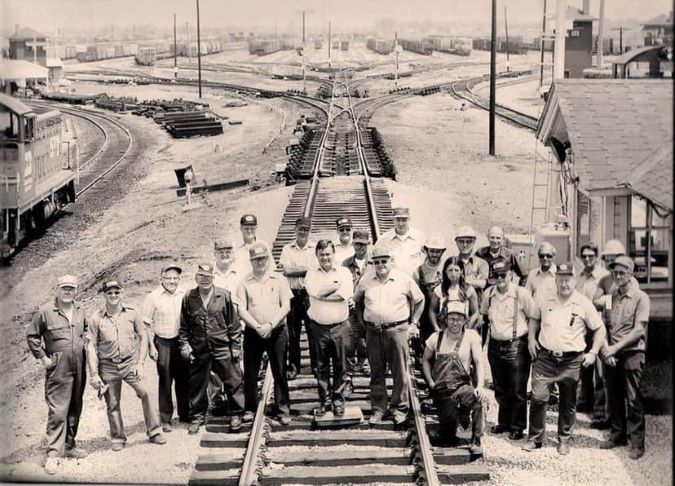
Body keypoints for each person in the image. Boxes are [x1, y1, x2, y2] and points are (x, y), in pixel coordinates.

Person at [524, 263, 606, 455]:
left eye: (568, 279)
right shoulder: (546, 299)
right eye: (560, 278)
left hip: (572, 361)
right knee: (538, 398)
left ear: (574, 280)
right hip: (545, 357)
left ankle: (564, 439)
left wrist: (593, 352)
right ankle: (535, 438)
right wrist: (530, 339)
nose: (564, 283)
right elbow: (534, 318)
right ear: (555, 280)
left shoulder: (583, 303)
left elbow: (599, 328)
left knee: (568, 402)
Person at [87, 280, 166, 451]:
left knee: (145, 392)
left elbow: (143, 335)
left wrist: (140, 363)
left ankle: (154, 431)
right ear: (104, 295)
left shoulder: (132, 312)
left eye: (117, 292)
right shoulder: (96, 318)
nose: (113, 296)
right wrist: (94, 374)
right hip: (108, 367)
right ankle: (118, 437)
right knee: (112, 403)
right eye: (109, 293)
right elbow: (91, 346)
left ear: (122, 293)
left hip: (130, 364)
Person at [353, 244, 425, 425]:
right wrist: (363, 324)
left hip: (397, 330)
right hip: (373, 331)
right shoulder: (366, 280)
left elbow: (420, 300)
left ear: (391, 262)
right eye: (376, 262)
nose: (380, 265)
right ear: (372, 264)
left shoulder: (403, 279)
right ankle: (378, 409)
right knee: (376, 371)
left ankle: (399, 408)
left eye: (384, 261)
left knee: (400, 371)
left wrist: (413, 323)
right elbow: (357, 301)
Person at [27, 275, 89, 475]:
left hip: (79, 364)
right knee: (58, 409)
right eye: (64, 288)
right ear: (57, 289)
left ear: (76, 290)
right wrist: (43, 358)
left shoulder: (80, 309)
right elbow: (32, 336)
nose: (68, 292)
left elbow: (85, 329)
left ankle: (69, 445)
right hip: (58, 366)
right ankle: (54, 453)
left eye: (71, 288)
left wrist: (86, 340)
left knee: (75, 404)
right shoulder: (45, 311)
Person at [178, 264, 245, 434]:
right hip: (200, 347)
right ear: (196, 278)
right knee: (197, 383)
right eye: (201, 276)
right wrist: (185, 345)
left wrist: (236, 346)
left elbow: (234, 324)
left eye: (208, 276)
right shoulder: (189, 297)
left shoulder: (223, 295)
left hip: (222, 345)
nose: (205, 279)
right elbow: (184, 326)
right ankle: (198, 416)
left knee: (233, 379)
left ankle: (236, 413)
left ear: (213, 278)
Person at [480, 259, 539, 441]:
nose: (500, 279)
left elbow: (534, 316)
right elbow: (484, 318)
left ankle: (517, 426)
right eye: (496, 276)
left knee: (517, 389)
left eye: (503, 275)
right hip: (496, 345)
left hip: (516, 345)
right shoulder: (489, 294)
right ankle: (504, 422)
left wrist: (531, 340)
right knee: (500, 387)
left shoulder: (521, 294)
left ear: (511, 275)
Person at [599, 256, 650, 460]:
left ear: (631, 273)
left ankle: (637, 443)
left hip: (632, 353)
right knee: (614, 396)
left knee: (633, 399)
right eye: (615, 273)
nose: (618, 276)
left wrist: (615, 348)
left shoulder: (641, 298)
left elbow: (639, 330)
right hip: (612, 353)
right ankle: (618, 435)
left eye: (622, 273)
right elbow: (603, 324)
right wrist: (606, 350)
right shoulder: (611, 296)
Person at [236, 242, 293, 425]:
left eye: (262, 258)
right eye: (256, 259)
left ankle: (283, 409)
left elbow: (286, 306)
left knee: (280, 371)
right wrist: (257, 326)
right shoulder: (244, 282)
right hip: (254, 333)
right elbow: (241, 310)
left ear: (268, 259)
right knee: (251, 372)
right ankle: (250, 408)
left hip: (276, 331)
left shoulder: (279, 279)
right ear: (251, 261)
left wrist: (270, 324)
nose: (259, 262)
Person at [421, 301, 488, 455]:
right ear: (445, 319)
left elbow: (478, 362)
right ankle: (458, 416)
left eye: (459, 319)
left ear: (465, 320)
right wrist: (431, 383)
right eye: (452, 318)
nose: (455, 322)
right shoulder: (435, 338)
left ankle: (476, 439)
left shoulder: (471, 336)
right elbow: (425, 360)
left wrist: (480, 386)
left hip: (462, 386)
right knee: (448, 437)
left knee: (481, 400)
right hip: (442, 391)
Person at [305, 240, 354, 417]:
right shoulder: (311, 273)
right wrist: (334, 287)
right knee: (320, 366)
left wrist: (323, 295)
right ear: (317, 256)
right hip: (318, 327)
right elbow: (314, 292)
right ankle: (324, 400)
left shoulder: (344, 272)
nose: (325, 257)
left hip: (341, 326)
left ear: (334, 254)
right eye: (322, 254)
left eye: (328, 254)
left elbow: (345, 294)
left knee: (342, 365)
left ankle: (338, 399)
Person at [142, 264, 189, 432]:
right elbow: (145, 324)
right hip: (162, 342)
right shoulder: (153, 297)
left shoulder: (184, 294)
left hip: (181, 341)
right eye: (168, 278)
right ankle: (166, 418)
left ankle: (185, 413)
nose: (172, 281)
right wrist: (151, 348)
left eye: (175, 278)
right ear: (161, 278)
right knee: (165, 379)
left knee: (184, 378)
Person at [591, 239, 628, 430]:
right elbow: (594, 302)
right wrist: (610, 301)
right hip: (606, 331)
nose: (612, 262)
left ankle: (626, 422)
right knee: (605, 378)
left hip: (625, 334)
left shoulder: (629, 280)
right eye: (608, 259)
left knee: (626, 381)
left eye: (615, 258)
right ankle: (607, 416)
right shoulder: (604, 280)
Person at [279, 216, 317, 380]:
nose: (303, 232)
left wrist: (297, 270)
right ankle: (294, 366)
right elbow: (286, 270)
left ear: (310, 231)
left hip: (309, 294)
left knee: (312, 331)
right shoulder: (287, 248)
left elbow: (315, 270)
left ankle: (315, 365)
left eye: (306, 229)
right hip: (292, 294)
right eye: (300, 229)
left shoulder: (315, 247)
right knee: (293, 334)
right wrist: (305, 270)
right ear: (295, 230)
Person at [575, 242, 610, 418]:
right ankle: (585, 401)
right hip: (582, 326)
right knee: (584, 364)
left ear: (596, 257)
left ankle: (599, 406)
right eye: (584, 256)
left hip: (599, 325)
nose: (587, 259)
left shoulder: (604, 277)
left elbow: (609, 302)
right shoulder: (579, 276)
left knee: (600, 367)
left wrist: (603, 306)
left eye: (590, 256)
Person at [210, 237, 242, 414]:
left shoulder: (240, 273)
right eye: (221, 252)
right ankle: (217, 399)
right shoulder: (209, 275)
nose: (224, 254)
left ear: (232, 254)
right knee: (215, 367)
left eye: (227, 251)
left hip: (237, 323)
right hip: (216, 327)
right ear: (214, 254)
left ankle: (236, 399)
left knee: (236, 361)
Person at [342, 229, 372, 374]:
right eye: (357, 244)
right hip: (352, 305)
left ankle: (365, 361)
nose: (360, 247)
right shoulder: (346, 263)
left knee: (367, 333)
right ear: (353, 244)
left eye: (363, 245)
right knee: (351, 334)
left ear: (368, 244)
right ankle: (349, 364)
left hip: (368, 305)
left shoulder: (373, 263)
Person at [412, 235, 447, 354]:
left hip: (444, 316)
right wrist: (414, 321)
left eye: (438, 251)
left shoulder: (447, 268)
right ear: (427, 251)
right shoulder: (418, 271)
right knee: (425, 349)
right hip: (424, 317)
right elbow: (414, 298)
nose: (435, 254)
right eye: (432, 251)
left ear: (442, 252)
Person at [429, 257, 480, 335]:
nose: (453, 274)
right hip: (444, 330)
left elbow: (475, 312)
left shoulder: (468, 289)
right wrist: (436, 327)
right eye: (450, 270)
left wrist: (467, 328)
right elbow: (432, 310)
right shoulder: (439, 289)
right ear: (445, 271)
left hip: (462, 331)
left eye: (456, 270)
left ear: (461, 271)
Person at [379, 207, 425, 276]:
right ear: (393, 220)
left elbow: (428, 259)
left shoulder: (419, 237)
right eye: (398, 220)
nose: (400, 224)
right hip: (393, 281)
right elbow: (374, 260)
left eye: (404, 220)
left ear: (409, 220)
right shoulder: (384, 239)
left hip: (414, 281)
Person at [454, 225, 489, 300]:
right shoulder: (452, 262)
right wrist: (473, 281)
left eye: (468, 242)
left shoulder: (481, 263)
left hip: (476, 306)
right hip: (456, 305)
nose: (465, 245)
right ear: (456, 242)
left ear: (474, 242)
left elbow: (482, 284)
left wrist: (461, 280)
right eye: (461, 241)